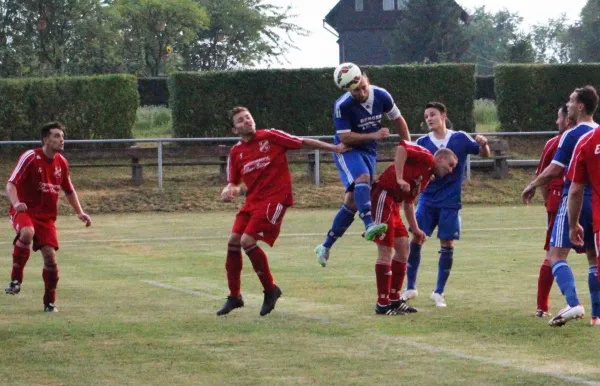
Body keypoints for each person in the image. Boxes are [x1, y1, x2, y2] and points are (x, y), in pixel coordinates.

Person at [217, 106, 346, 317]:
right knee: (233, 241)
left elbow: (302, 141)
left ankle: (270, 290)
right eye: (240, 120)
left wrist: (334, 148)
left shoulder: (270, 136)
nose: (247, 121)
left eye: (248, 117)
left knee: (247, 241)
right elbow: (234, 183)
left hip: (276, 199)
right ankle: (234, 297)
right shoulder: (236, 152)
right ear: (234, 130)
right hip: (253, 202)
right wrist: (229, 189)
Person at [314, 71, 411, 267]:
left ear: (366, 78)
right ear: (347, 90)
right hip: (347, 150)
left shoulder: (381, 95)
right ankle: (370, 224)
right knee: (363, 177)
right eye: (356, 90)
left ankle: (325, 246)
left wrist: (410, 147)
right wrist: (374, 135)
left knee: (352, 202)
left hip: (369, 151)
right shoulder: (343, 105)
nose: (362, 91)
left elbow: (398, 120)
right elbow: (345, 138)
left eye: (363, 86)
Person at [522, 85, 599, 327]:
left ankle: (573, 302)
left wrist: (533, 184)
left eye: (570, 100)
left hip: (574, 199)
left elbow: (555, 169)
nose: (567, 105)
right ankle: (597, 316)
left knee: (556, 255)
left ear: (580, 106)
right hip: (596, 201)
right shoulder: (598, 132)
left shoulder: (573, 134)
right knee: (593, 258)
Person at [400, 102, 490, 308]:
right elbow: (411, 167)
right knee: (416, 238)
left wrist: (484, 144)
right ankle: (410, 287)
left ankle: (439, 292)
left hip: (450, 203)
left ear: (443, 115)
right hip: (428, 201)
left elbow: (484, 154)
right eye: (426, 116)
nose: (429, 119)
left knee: (447, 244)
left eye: (432, 114)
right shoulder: (422, 142)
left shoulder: (459, 138)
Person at [4, 121, 92, 312]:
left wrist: (80, 212)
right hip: (24, 211)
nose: (61, 139)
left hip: (46, 218)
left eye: (62, 136)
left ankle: (49, 303)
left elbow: (69, 190)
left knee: (50, 259)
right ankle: (15, 280)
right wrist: (16, 203)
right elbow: (11, 184)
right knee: (27, 232)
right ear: (45, 139)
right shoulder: (30, 157)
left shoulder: (62, 162)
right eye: (56, 136)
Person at [370, 140, 457, 315]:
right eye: (450, 165)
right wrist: (400, 176)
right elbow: (402, 148)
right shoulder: (425, 157)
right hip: (383, 196)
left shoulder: (426, 178)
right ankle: (382, 303)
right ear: (440, 158)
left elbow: (409, 203)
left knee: (403, 250)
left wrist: (416, 229)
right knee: (386, 252)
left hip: (394, 204)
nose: (451, 170)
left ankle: (395, 300)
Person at [533, 104, 574, 318]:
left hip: (561, 199)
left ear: (568, 119)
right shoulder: (593, 135)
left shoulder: (555, 143)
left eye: (559, 117)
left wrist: (547, 200)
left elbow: (543, 175)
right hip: (588, 198)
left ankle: (543, 307)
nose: (556, 122)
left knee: (553, 253)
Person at [567, 123, 600, 327]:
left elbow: (575, 191)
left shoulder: (588, 142)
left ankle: (597, 315)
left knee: (594, 263)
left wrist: (573, 225)